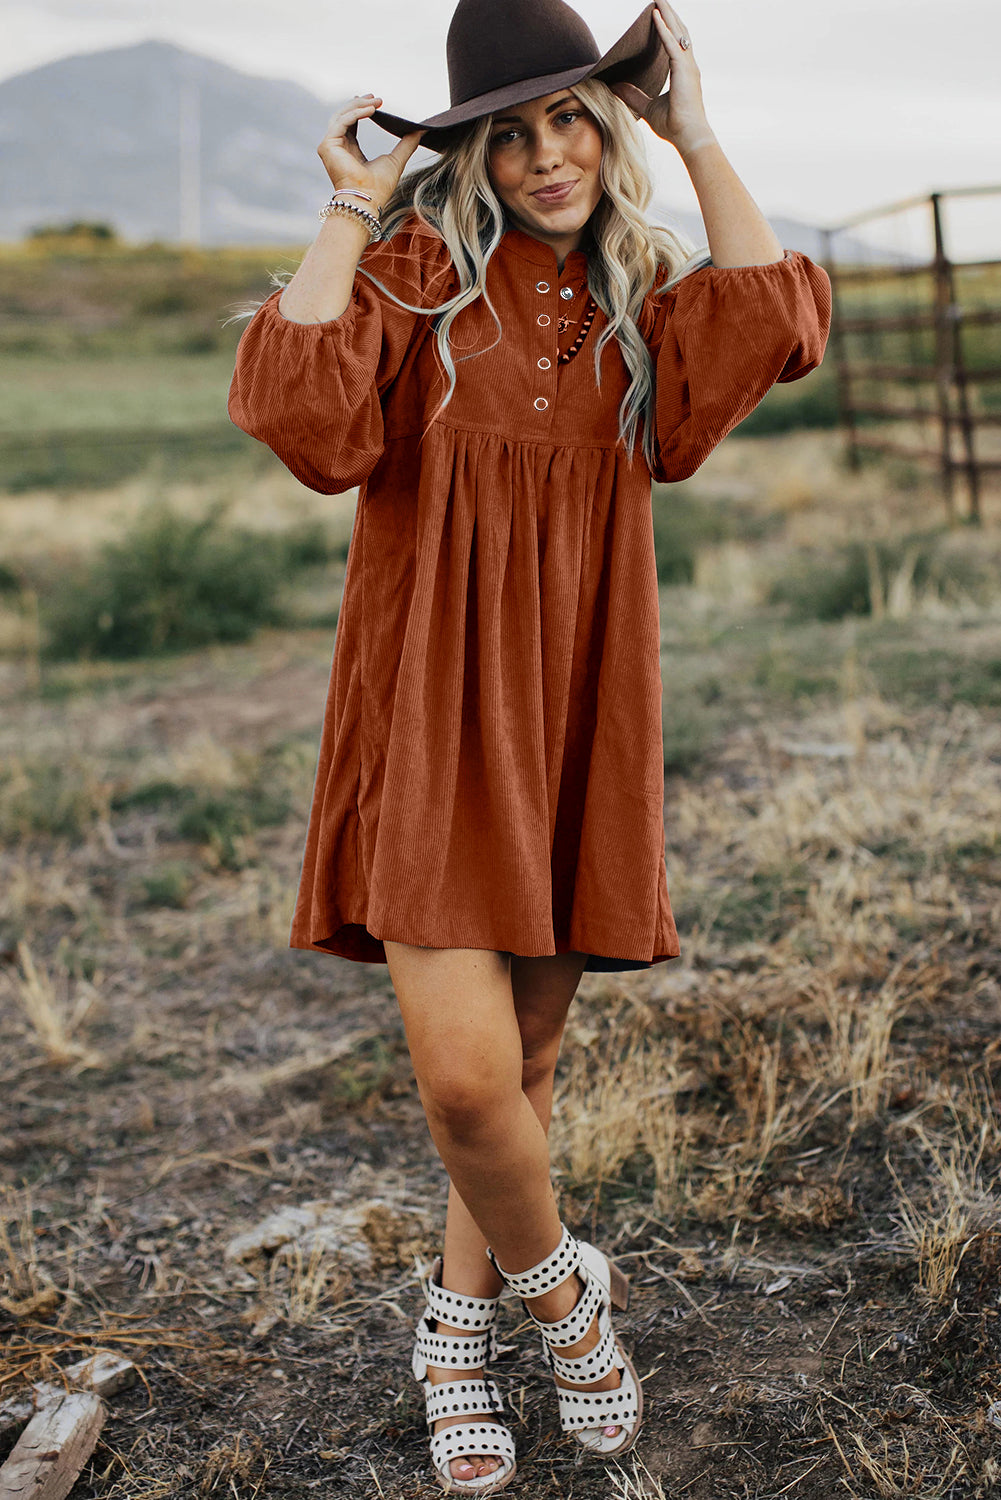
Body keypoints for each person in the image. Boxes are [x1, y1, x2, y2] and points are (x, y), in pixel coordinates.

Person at [228, 0, 831, 1489]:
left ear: (605, 129)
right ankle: (564, 1304)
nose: (549, 152)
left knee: (527, 1063)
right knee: (462, 1084)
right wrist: (348, 207)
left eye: (572, 118)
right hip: (430, 718)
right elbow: (303, 416)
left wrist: (692, 132)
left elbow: (777, 322)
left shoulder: (643, 292)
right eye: (511, 132)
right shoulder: (421, 276)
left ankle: (452, 1334)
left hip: (572, 712)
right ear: (471, 154)